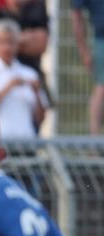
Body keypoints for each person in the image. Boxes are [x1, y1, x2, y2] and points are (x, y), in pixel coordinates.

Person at [0, 0, 49, 83]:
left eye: (11, 42)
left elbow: (41, 44)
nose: (8, 47)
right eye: (3, 41)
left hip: (31, 70)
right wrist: (27, 39)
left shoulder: (36, 11)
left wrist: (5, 39)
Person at [71, 0, 104, 135]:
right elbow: (76, 16)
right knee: (102, 88)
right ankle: (95, 143)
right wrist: (84, 51)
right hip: (102, 39)